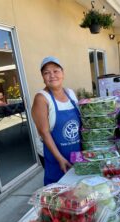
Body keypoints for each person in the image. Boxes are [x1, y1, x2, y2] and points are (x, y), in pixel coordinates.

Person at [32, 56, 81, 185]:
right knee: (61, 194)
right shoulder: (41, 98)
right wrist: (60, 159)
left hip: (77, 153)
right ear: (43, 77)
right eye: (46, 72)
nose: (52, 75)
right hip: (55, 156)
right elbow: (44, 133)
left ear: (63, 73)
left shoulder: (70, 93)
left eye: (55, 71)